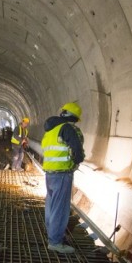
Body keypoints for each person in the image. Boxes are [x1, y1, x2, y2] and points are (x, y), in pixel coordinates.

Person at [42, 102, 85, 254]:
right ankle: (55, 242)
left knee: (51, 205)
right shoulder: (68, 128)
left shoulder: (51, 129)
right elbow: (77, 149)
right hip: (62, 173)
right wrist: (78, 160)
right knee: (60, 209)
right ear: (74, 117)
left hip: (50, 173)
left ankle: (51, 234)